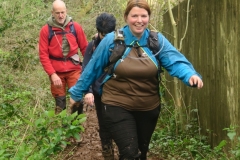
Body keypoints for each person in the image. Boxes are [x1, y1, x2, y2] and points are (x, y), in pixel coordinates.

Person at [69, 0, 204, 159]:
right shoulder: (111, 41)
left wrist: (190, 75)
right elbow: (92, 68)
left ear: (149, 17)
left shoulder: (156, 41)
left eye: (143, 16)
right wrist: (77, 93)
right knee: (129, 153)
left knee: (141, 153)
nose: (139, 20)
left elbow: (174, 60)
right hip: (116, 103)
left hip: (148, 107)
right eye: (134, 16)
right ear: (126, 17)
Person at [38, 0, 88, 114]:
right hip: (56, 71)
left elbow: (85, 48)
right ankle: (61, 129)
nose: (60, 15)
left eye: (62, 12)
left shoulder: (75, 27)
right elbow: (43, 55)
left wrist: (87, 68)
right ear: (52, 13)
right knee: (60, 104)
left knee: (77, 99)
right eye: (57, 13)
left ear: (66, 11)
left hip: (74, 69)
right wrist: (52, 74)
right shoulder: (46, 30)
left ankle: (76, 128)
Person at [81, 13, 116, 157]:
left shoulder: (123, 42)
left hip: (119, 91)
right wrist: (88, 90)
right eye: (103, 34)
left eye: (109, 34)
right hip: (99, 91)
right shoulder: (93, 46)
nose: (105, 37)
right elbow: (86, 69)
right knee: (104, 123)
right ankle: (107, 151)